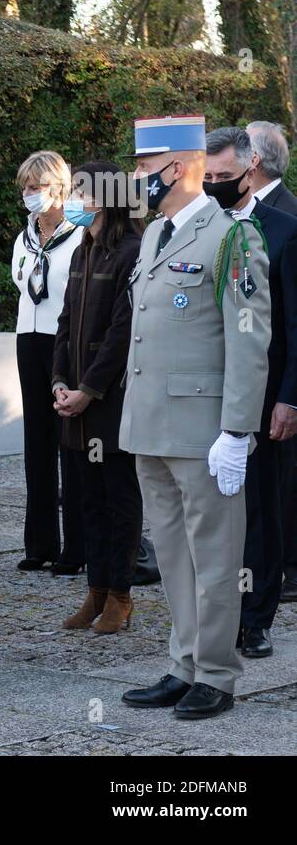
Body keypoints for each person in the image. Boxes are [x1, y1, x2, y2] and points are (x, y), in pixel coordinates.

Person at [119, 115, 270, 721]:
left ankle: (216, 672)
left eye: (145, 171)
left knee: (214, 558)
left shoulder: (233, 237)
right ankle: (183, 663)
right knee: (174, 556)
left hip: (203, 429)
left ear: (178, 168)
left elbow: (248, 338)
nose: (137, 182)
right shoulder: (156, 234)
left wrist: (237, 430)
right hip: (151, 424)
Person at [204, 127, 297, 659]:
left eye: (223, 177)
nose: (215, 185)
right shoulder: (206, 227)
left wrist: (290, 397)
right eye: (208, 177)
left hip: (265, 393)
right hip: (208, 389)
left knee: (260, 506)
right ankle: (217, 610)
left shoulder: (284, 229)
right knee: (215, 507)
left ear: (250, 166)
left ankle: (256, 617)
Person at [51, 160, 145, 633]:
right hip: (75, 405)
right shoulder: (80, 252)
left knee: (119, 501)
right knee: (86, 501)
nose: (74, 202)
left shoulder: (132, 251)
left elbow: (122, 333)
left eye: (82, 193)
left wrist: (88, 390)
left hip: (110, 404)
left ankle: (120, 596)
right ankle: (95, 590)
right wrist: (59, 383)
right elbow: (65, 323)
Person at [10, 151, 86, 574]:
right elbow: (21, 285)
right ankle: (39, 544)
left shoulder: (78, 235)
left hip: (65, 342)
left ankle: (76, 548)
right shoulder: (24, 237)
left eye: (36, 186)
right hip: (29, 339)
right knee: (36, 443)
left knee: (69, 443)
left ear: (59, 188)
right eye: (25, 187)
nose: (29, 194)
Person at [245, 121, 297, 603]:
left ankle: (283, 571)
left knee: (280, 485)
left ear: (253, 162)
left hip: (277, 378)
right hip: (247, 378)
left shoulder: (287, 217)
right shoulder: (237, 215)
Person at [246, 121, 297, 214]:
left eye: (239, 148)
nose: (234, 155)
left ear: (254, 159)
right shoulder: (240, 203)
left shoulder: (291, 215)